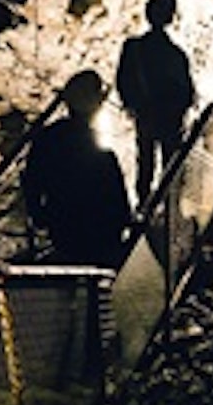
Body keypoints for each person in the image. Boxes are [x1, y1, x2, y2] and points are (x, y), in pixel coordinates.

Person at [22, 70, 132, 269]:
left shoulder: (47, 139)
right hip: (97, 233)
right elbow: (116, 201)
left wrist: (39, 215)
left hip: (62, 226)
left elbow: (32, 179)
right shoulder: (100, 155)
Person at [115, 0, 195, 211]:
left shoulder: (134, 48)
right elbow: (187, 91)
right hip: (170, 118)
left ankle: (144, 208)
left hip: (147, 114)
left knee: (146, 164)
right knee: (171, 166)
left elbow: (123, 80)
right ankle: (170, 210)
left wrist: (133, 106)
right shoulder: (176, 54)